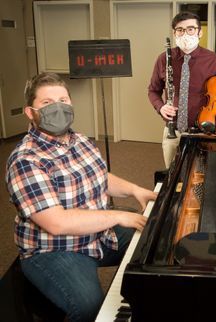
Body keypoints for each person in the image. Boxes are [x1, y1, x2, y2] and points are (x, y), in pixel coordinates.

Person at [5, 72, 157, 322]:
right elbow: (57, 223)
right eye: (47, 103)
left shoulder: (80, 140)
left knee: (153, 241)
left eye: (63, 100)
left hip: (97, 234)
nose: (58, 107)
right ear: (30, 112)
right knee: (90, 307)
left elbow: (99, 176)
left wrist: (134, 190)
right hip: (55, 249)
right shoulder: (25, 160)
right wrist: (118, 215)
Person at [148, 11, 216, 168]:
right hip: (173, 131)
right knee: (173, 176)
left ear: (199, 32)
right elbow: (153, 90)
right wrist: (160, 107)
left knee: (201, 177)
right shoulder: (164, 58)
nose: (185, 34)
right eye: (180, 30)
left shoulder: (214, 60)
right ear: (174, 33)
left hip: (204, 131)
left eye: (191, 29)